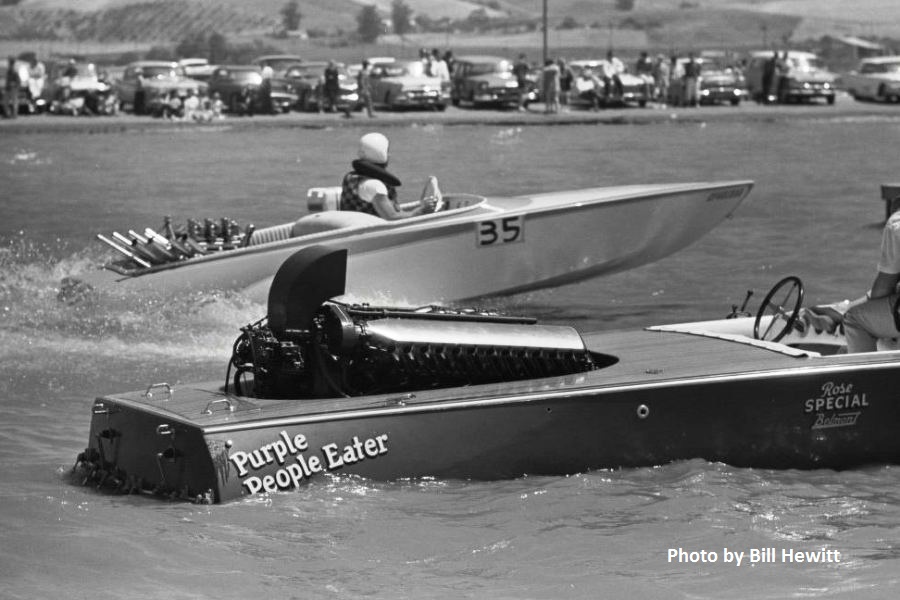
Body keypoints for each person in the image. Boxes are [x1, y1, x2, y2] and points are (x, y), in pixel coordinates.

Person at [340, 133, 441, 221]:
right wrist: (422, 210)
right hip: (372, 233)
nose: (389, 155)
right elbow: (392, 218)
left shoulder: (351, 177)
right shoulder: (375, 186)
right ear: (380, 153)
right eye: (387, 151)